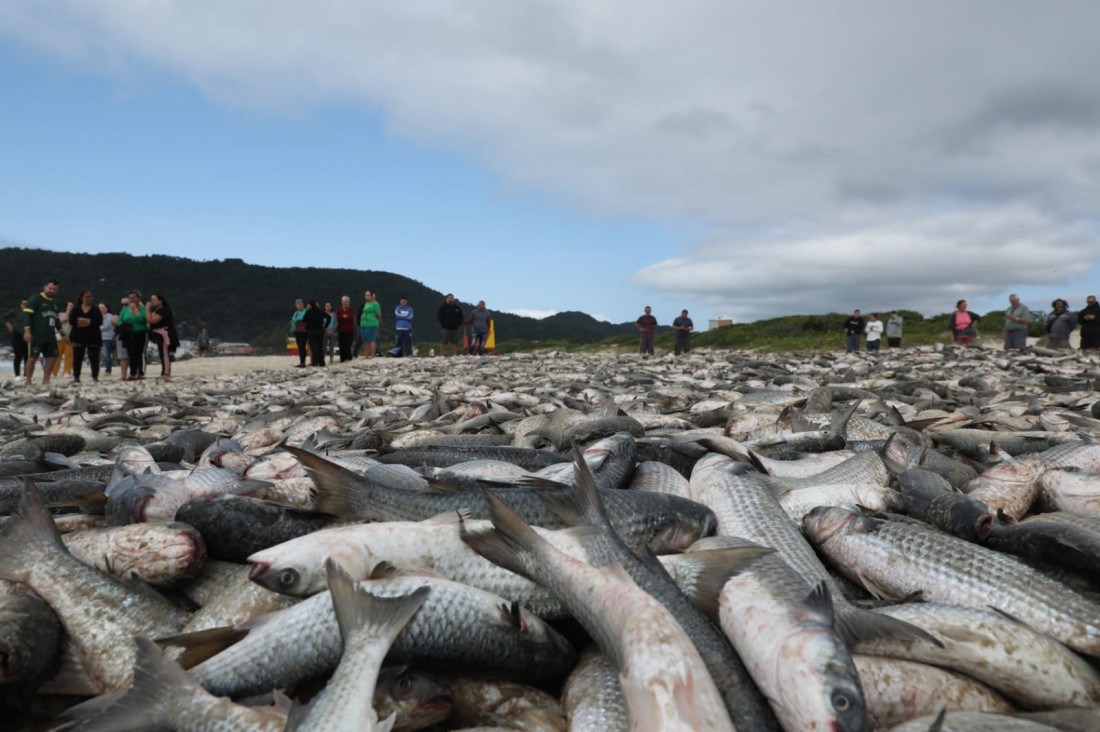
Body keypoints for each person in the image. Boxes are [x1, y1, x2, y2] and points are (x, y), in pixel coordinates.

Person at [21, 281, 61, 387]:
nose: (52, 291)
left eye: (55, 289)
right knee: (33, 357)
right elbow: (27, 315)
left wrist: (62, 333)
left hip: (50, 335)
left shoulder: (55, 303)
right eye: (50, 288)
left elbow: (56, 320)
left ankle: (46, 381)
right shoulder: (35, 299)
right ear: (44, 287)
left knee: (52, 357)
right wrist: (27, 331)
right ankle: (28, 381)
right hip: (36, 334)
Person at [69, 290, 103, 383]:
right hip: (78, 336)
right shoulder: (76, 309)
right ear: (82, 298)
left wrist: (83, 321)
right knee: (77, 357)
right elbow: (73, 321)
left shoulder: (95, 309)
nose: (89, 298)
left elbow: (99, 322)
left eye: (90, 296)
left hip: (93, 336)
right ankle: (76, 377)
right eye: (87, 296)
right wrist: (88, 321)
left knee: (94, 357)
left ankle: (95, 376)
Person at [115, 291, 149, 380]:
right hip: (129, 334)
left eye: (134, 298)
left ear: (139, 298)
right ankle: (133, 373)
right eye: (130, 298)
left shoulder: (143, 309)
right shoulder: (125, 309)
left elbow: (142, 319)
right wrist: (125, 324)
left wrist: (135, 310)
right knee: (131, 354)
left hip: (140, 333)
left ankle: (141, 372)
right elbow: (119, 321)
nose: (132, 300)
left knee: (139, 353)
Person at [146, 293, 178, 379]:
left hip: (164, 333)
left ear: (160, 301)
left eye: (154, 299)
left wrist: (147, 309)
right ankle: (164, 371)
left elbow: (151, 320)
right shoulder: (156, 310)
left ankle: (166, 372)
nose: (152, 301)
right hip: (158, 333)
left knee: (164, 353)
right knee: (162, 353)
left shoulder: (164, 310)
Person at [3, 299, 26, 377]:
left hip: (28, 335)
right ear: (20, 304)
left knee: (27, 356)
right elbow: (4, 317)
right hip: (17, 334)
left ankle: (26, 374)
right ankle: (17, 374)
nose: (25, 305)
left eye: (26, 304)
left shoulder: (31, 312)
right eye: (23, 304)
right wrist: (9, 325)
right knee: (18, 355)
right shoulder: (16, 311)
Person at [303, 299, 327, 367]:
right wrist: (325, 325)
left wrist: (308, 325)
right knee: (320, 347)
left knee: (314, 348)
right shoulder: (320, 311)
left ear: (310, 305)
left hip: (312, 332)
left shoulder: (309, 312)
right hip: (320, 331)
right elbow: (329, 317)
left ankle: (315, 363)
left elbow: (304, 320)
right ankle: (322, 363)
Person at [359, 291, 382, 359]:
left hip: (371, 324)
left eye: (368, 295)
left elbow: (379, 315)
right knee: (365, 341)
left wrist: (375, 321)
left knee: (371, 340)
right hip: (363, 324)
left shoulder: (375, 304)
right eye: (366, 295)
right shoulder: (366, 304)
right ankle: (366, 356)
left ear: (372, 296)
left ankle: (372, 356)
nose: (366, 296)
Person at [335, 296, 356, 362]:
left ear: (348, 302)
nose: (344, 303)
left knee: (347, 344)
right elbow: (338, 317)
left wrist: (343, 317)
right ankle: (342, 358)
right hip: (341, 330)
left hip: (349, 330)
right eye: (343, 301)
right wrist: (344, 316)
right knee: (341, 344)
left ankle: (348, 358)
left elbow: (350, 318)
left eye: (346, 301)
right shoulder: (339, 309)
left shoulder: (351, 309)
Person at [290, 299, 308, 368]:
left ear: (303, 305)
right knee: (300, 347)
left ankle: (303, 362)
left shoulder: (305, 311)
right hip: (296, 331)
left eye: (300, 304)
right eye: (298, 304)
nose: (299, 305)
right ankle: (301, 362)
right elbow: (293, 321)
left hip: (303, 331)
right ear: (296, 305)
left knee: (302, 345)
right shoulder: (295, 313)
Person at [98, 302, 115, 374]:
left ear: (106, 308)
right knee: (98, 354)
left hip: (107, 338)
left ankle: (108, 369)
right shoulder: (97, 316)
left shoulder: (109, 316)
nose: (101, 309)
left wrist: (96, 328)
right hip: (98, 337)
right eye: (99, 308)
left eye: (102, 307)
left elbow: (107, 326)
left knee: (106, 354)